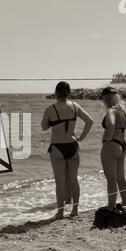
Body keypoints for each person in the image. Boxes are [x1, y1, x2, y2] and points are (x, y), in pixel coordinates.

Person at [42, 81, 93, 219]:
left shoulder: (50, 109)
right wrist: (81, 138)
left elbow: (44, 127)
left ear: (56, 93)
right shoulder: (75, 107)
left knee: (60, 182)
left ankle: (60, 212)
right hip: (73, 145)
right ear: (69, 93)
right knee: (73, 180)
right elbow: (90, 121)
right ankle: (75, 210)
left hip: (57, 147)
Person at [100, 87, 126, 209]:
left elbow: (110, 124)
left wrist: (108, 137)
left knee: (111, 180)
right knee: (121, 178)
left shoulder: (110, 110)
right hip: (122, 144)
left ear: (106, 98)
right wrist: (122, 128)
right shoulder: (123, 110)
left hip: (111, 145)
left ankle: (111, 207)